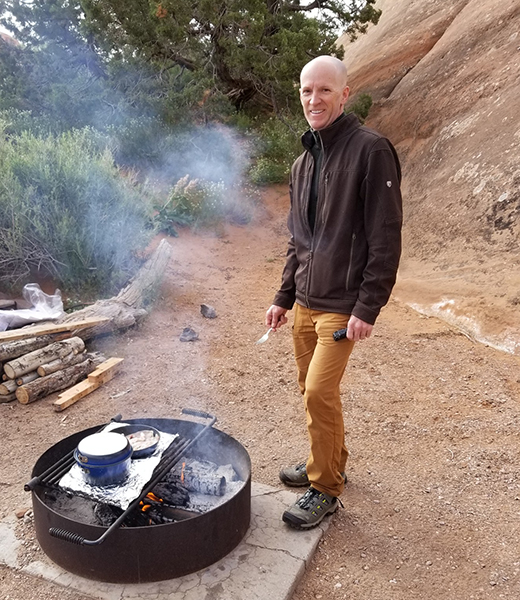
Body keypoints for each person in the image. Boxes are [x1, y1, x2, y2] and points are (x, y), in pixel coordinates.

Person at [265, 55, 403, 529]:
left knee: (319, 393)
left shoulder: (372, 150)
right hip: (304, 303)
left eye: (324, 90)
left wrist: (369, 306)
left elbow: (385, 236)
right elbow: (297, 241)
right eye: (306, 90)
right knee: (311, 390)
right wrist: (283, 297)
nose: (313, 99)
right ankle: (329, 460)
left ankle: (324, 487)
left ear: (344, 95)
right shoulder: (302, 163)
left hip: (341, 310)